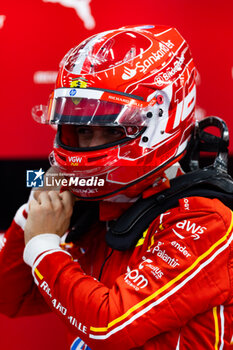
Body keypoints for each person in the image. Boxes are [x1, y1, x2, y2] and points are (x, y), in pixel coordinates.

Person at [1, 24, 233, 350]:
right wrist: (35, 212)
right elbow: (12, 299)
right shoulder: (99, 212)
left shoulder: (205, 221)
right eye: (81, 129)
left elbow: (110, 327)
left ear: (161, 121)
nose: (90, 143)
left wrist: (43, 245)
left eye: (111, 128)